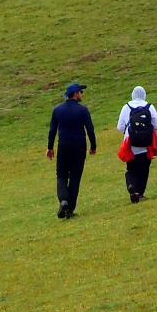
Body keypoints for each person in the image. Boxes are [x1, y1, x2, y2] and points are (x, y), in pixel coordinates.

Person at [47, 81, 96, 218]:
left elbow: (52, 131)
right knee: (75, 177)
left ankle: (63, 200)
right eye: (81, 92)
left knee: (61, 176)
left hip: (63, 145)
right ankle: (70, 209)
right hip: (79, 146)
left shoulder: (57, 110)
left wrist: (50, 148)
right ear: (75, 94)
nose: (82, 94)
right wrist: (93, 146)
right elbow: (90, 130)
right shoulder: (83, 110)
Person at [116, 85, 157, 203]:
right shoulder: (149, 107)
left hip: (131, 144)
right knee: (144, 169)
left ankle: (131, 186)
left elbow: (120, 126)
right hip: (146, 144)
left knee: (131, 169)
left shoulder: (126, 107)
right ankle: (140, 193)